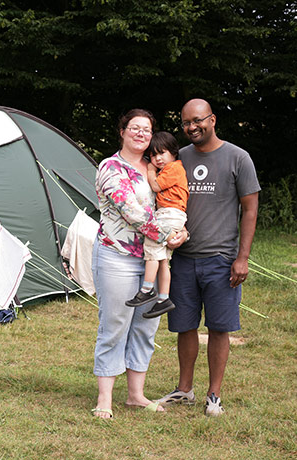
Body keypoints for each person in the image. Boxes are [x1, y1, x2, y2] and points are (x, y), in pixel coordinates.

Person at [157, 98, 260, 417]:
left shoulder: (237, 158)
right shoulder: (179, 157)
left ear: (212, 120)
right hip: (183, 259)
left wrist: (242, 257)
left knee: (219, 327)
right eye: (186, 123)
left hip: (221, 259)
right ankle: (184, 389)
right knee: (184, 327)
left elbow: (250, 208)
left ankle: (213, 394)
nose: (192, 127)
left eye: (198, 120)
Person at [91, 109, 185, 419]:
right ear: (122, 131)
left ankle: (135, 395)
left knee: (146, 326)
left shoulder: (157, 168)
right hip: (117, 256)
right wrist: (166, 234)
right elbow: (130, 210)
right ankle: (105, 398)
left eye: (146, 129)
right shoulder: (110, 168)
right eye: (135, 128)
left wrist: (182, 231)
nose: (141, 134)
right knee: (115, 324)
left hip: (153, 259)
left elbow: (172, 204)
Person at [125, 132, 189, 319]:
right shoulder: (172, 168)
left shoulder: (174, 169)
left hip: (169, 214)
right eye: (153, 155)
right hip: (171, 214)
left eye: (162, 153)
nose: (157, 158)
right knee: (162, 260)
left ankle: (147, 290)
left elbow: (156, 186)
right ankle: (163, 298)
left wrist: (151, 170)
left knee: (152, 249)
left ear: (174, 152)